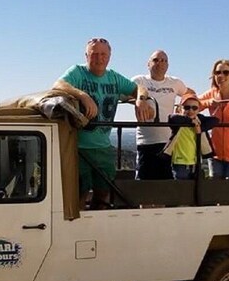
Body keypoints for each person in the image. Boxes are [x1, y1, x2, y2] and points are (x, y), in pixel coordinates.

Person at [53, 38, 153, 209]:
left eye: (103, 54)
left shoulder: (113, 77)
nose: (99, 58)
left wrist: (141, 99)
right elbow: (58, 85)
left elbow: (139, 88)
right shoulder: (78, 72)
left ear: (109, 56)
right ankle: (75, 232)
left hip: (103, 147)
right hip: (79, 147)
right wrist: (83, 96)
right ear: (86, 56)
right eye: (95, 54)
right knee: (79, 193)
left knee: (103, 193)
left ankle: (95, 231)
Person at [131, 50, 193, 180]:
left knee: (166, 185)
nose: (160, 63)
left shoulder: (175, 83)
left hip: (168, 142)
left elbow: (190, 94)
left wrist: (183, 109)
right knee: (143, 183)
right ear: (148, 64)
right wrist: (139, 102)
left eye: (164, 60)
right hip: (146, 141)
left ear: (168, 65)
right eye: (156, 60)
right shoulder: (139, 81)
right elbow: (124, 96)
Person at [162, 93, 216, 179]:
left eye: (194, 108)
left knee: (194, 189)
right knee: (181, 188)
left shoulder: (199, 120)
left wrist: (200, 127)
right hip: (179, 162)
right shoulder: (178, 121)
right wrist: (191, 122)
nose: (191, 110)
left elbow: (215, 120)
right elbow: (172, 118)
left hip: (195, 162)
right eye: (187, 107)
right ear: (180, 109)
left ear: (198, 110)